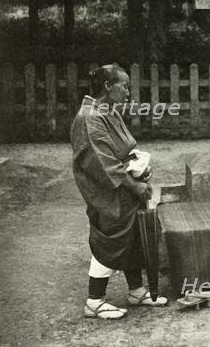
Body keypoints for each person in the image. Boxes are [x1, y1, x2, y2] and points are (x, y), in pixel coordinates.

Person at [71, 64, 167, 319]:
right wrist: (135, 184)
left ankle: (136, 290)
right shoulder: (90, 117)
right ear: (107, 86)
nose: (127, 91)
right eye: (123, 86)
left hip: (123, 186)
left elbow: (122, 148)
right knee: (111, 240)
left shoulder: (105, 110)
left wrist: (138, 166)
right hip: (107, 191)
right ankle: (94, 300)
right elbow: (105, 164)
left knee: (133, 236)